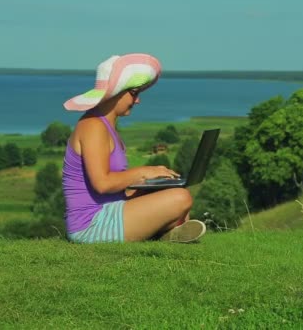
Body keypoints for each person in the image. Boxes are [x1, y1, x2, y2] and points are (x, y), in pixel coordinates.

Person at [61, 53, 206, 244]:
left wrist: (148, 190)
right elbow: (103, 184)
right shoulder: (93, 126)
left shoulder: (106, 127)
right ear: (116, 93)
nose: (137, 100)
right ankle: (165, 232)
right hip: (91, 225)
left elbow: (112, 192)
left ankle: (165, 233)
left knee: (174, 198)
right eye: (134, 93)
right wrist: (146, 172)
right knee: (181, 198)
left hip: (109, 210)